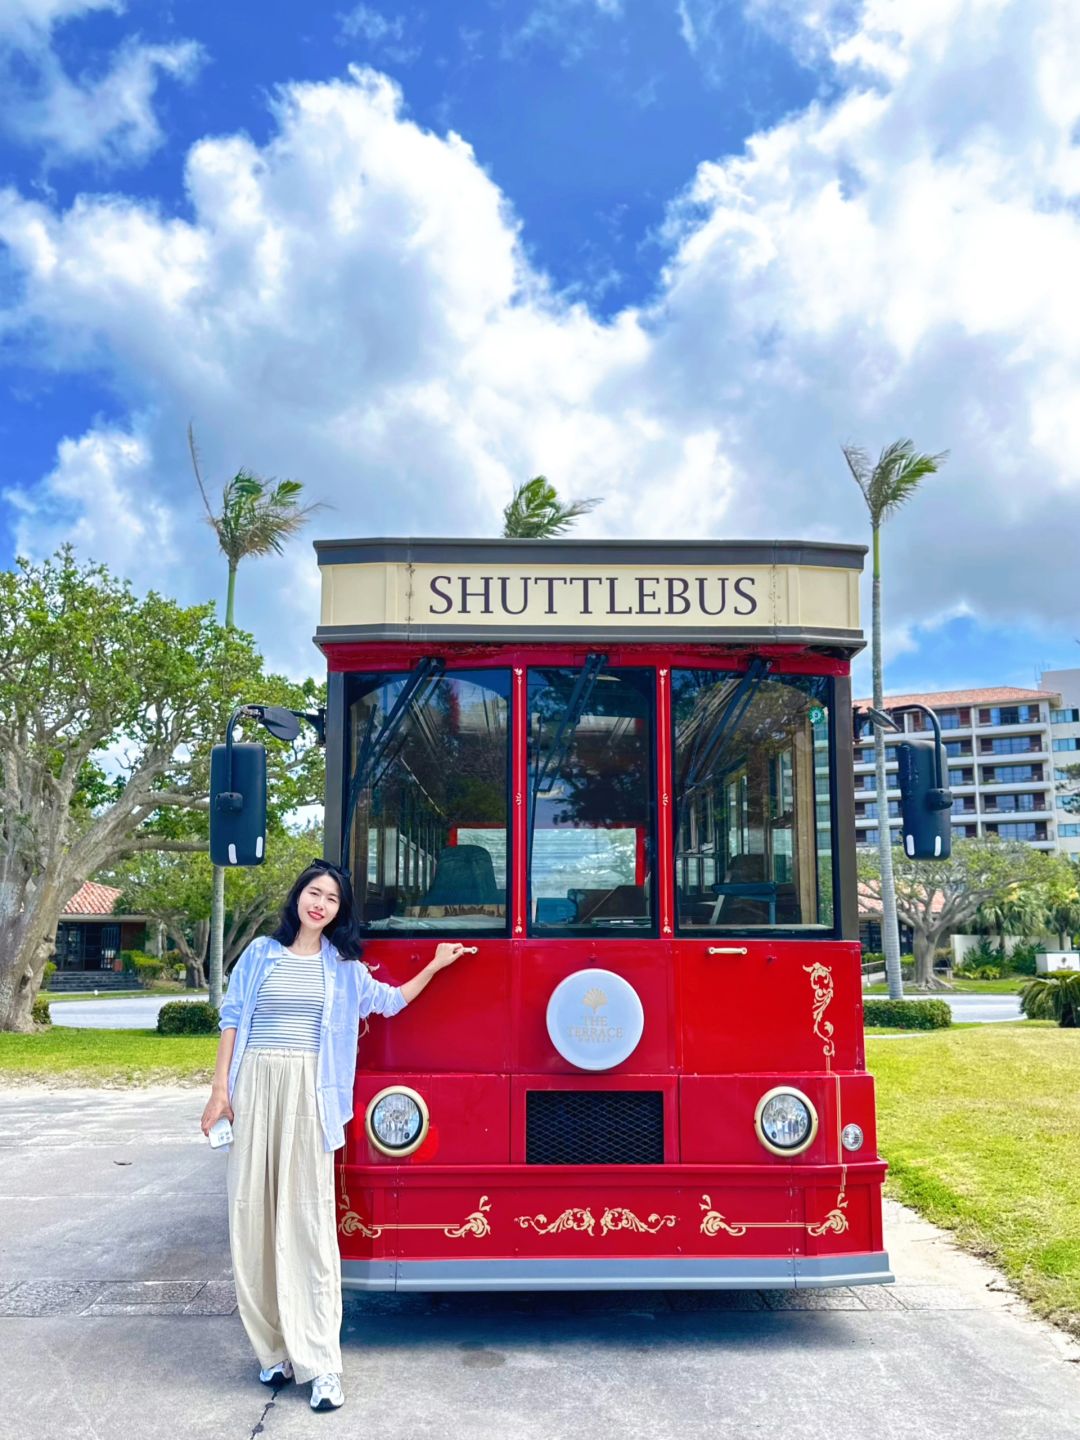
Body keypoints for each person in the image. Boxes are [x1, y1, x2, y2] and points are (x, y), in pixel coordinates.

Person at [200, 858, 468, 1412]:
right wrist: (220, 1091)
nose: (319, 904)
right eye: (313, 892)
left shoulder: (344, 967)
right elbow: (232, 1020)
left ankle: (321, 1362)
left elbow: (390, 1002)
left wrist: (438, 965)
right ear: (297, 897)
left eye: (331, 899)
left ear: (339, 912)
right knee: (251, 1216)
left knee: (309, 1221)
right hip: (256, 1083)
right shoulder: (259, 955)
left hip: (310, 1091)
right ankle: (271, 1350)